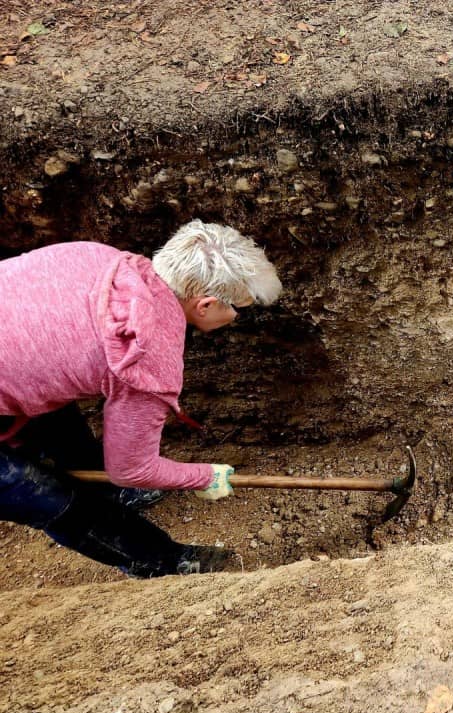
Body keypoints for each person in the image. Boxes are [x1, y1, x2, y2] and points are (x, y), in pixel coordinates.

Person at [0, 220, 282, 577]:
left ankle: (113, 491)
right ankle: (160, 561)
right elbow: (131, 468)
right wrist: (202, 476)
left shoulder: (99, 257)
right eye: (237, 309)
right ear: (206, 305)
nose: (237, 317)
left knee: (55, 412)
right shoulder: (147, 357)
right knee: (45, 495)